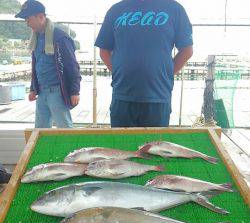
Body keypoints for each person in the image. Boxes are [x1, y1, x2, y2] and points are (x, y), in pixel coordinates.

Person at [95, 0, 193, 127]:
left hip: (158, 97)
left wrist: (166, 74)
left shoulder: (174, 9)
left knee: (155, 146)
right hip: (122, 96)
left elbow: (187, 50)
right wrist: (120, 72)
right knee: (121, 145)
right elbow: (104, 51)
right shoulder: (116, 10)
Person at [15, 0, 81, 128]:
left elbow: (72, 66)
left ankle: (72, 149)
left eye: (28, 19)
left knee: (65, 130)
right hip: (41, 92)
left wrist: (75, 91)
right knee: (40, 131)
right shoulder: (35, 39)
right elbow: (36, 66)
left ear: (40, 17)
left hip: (57, 93)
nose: (27, 23)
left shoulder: (60, 38)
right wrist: (33, 88)